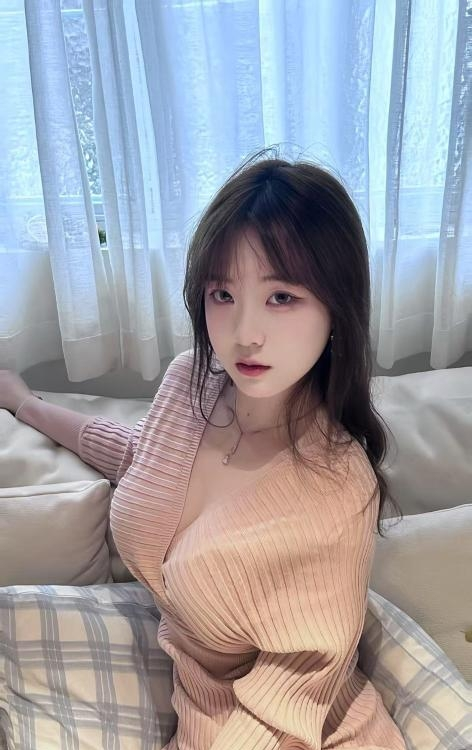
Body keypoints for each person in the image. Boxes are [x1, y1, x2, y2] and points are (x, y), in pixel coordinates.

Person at [0, 148, 407, 750]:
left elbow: (294, 693)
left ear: (336, 309)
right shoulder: (191, 382)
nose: (245, 333)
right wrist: (25, 405)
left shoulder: (337, 487)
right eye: (223, 294)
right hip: (196, 700)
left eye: (282, 297)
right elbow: (143, 459)